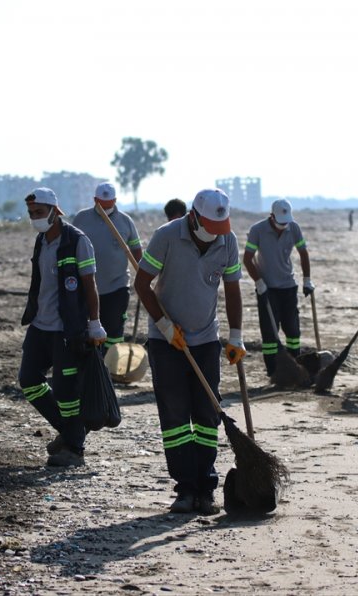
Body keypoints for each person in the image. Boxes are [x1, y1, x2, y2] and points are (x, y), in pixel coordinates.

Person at [134, 188, 244, 515]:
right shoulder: (166, 236)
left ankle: (206, 487)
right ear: (193, 217)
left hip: (206, 339)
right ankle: (185, 488)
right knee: (176, 416)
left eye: (219, 228)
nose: (214, 234)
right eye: (209, 226)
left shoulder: (227, 241)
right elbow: (142, 284)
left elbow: (233, 289)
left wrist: (235, 336)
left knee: (207, 414)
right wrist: (165, 325)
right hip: (166, 341)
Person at [19, 187, 106, 468]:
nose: (35, 217)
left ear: (55, 211)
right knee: (29, 380)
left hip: (67, 329)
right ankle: (71, 432)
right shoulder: (41, 241)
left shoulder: (77, 241)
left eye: (39, 212)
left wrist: (94, 323)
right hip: (40, 325)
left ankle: (74, 449)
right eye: (31, 213)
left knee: (66, 390)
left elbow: (89, 285)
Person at [242, 199, 312, 382]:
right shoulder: (257, 230)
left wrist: (307, 280)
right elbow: (247, 259)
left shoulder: (293, 228)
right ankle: (273, 371)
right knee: (270, 335)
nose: (283, 226)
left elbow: (303, 253)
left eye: (286, 222)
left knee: (293, 331)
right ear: (272, 217)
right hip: (267, 289)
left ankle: (295, 367)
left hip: (288, 286)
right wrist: (259, 282)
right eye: (280, 223)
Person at [72, 183, 142, 354]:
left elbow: (136, 250)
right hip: (86, 287)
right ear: (95, 200)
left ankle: (111, 363)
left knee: (114, 330)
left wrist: (142, 276)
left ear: (115, 200)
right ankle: (91, 363)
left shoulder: (125, 221)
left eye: (109, 204)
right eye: (102, 204)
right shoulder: (81, 218)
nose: (105, 208)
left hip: (117, 286)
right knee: (87, 331)